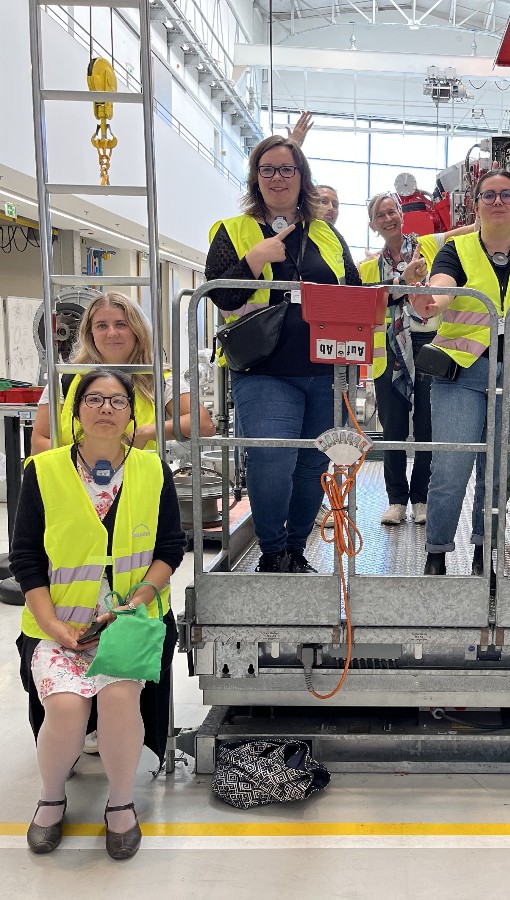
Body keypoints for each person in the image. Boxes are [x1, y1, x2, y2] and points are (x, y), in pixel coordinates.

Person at [11, 368, 185, 859]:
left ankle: (120, 803)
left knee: (119, 699)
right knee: (66, 708)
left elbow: (169, 549)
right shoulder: (42, 470)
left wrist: (134, 605)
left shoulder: (152, 470)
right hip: (58, 622)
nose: (106, 407)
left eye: (117, 400)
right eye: (93, 398)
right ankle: (50, 799)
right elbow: (26, 559)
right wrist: (54, 627)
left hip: (129, 620)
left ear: (132, 415)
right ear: (75, 411)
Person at [205, 134, 362, 573]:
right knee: (273, 456)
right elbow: (219, 295)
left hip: (323, 366)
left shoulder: (327, 234)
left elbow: (351, 292)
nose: (278, 178)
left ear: (302, 177)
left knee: (313, 459)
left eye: (287, 169)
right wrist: (255, 259)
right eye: (267, 169)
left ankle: (296, 547)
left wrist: (396, 292)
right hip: (263, 368)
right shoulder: (231, 231)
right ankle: (272, 552)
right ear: (256, 178)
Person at [410, 170, 510, 576]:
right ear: (475, 205)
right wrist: (427, 298)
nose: (497, 202)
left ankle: (484, 553)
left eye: (506, 195)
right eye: (488, 195)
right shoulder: (455, 251)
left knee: (499, 475)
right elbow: (440, 291)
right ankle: (437, 552)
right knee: (451, 468)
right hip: (461, 374)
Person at [31, 291, 215, 453]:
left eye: (121, 324)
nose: (112, 333)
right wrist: (83, 459)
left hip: (137, 485)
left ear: (137, 330)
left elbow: (203, 424)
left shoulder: (159, 378)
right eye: (102, 326)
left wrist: (145, 433)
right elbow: (39, 442)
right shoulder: (67, 379)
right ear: (90, 333)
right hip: (74, 484)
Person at [360, 192, 441, 526]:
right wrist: (400, 281)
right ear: (373, 224)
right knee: (393, 428)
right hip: (389, 352)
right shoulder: (368, 269)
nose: (388, 218)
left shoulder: (430, 251)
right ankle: (396, 500)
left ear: (402, 214)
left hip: (428, 346)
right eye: (381, 215)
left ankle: (421, 498)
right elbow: (368, 301)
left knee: (426, 427)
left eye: (392, 211)